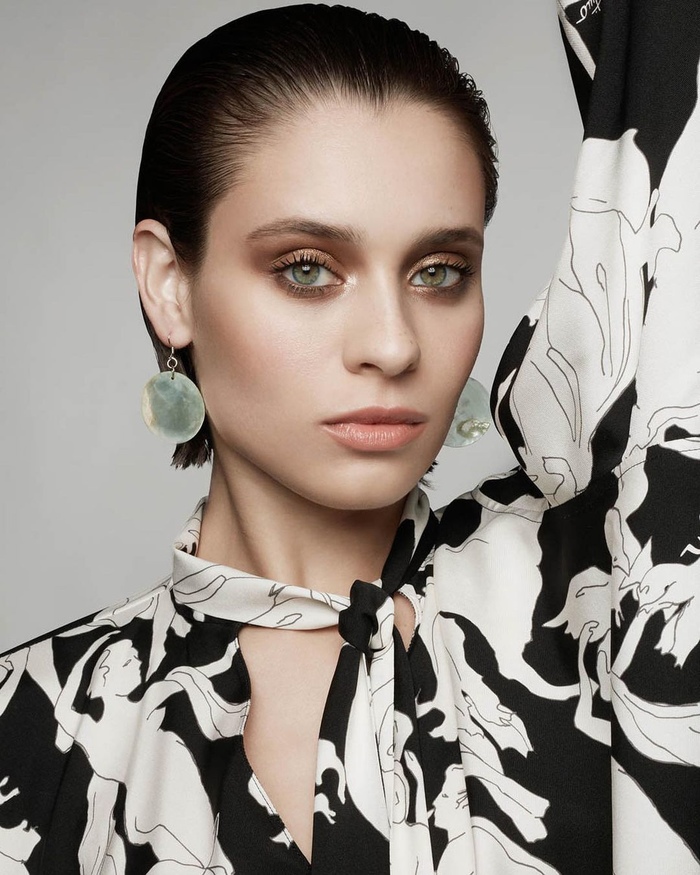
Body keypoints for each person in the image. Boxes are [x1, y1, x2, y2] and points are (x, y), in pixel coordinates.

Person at [1, 2, 699, 873]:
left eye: (439, 272)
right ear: (170, 284)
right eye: (307, 269)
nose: (394, 345)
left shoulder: (619, 599)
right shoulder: (29, 731)